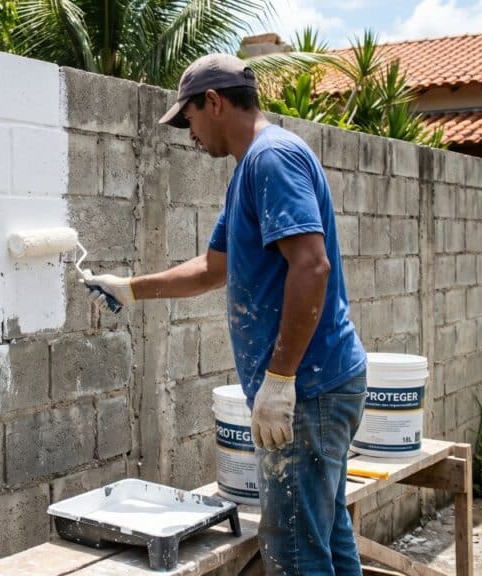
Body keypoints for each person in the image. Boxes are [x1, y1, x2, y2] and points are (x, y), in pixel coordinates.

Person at [81, 54, 369, 575]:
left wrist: (280, 380)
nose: (188, 133)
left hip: (309, 389)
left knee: (295, 551)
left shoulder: (271, 160)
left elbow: (312, 265)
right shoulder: (248, 172)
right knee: (326, 534)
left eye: (188, 118)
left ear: (213, 102)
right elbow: (214, 269)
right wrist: (130, 289)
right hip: (319, 386)